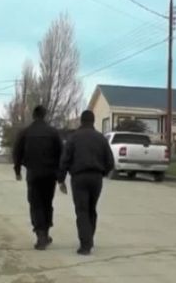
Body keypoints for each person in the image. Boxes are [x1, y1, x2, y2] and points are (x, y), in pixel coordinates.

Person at [58, 110, 114, 256]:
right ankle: (89, 238)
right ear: (93, 121)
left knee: (81, 210)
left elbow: (65, 160)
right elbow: (110, 161)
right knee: (91, 209)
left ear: (81, 121)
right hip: (96, 178)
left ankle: (85, 244)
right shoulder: (101, 139)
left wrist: (61, 179)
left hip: (79, 178)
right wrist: (103, 173)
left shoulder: (73, 138)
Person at [13, 106, 63, 250]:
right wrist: (60, 176)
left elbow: (17, 152)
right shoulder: (53, 133)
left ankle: (41, 234)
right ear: (45, 115)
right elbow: (61, 154)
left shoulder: (25, 132)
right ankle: (45, 233)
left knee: (35, 204)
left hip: (33, 174)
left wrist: (17, 170)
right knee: (47, 203)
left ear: (33, 116)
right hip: (50, 175)